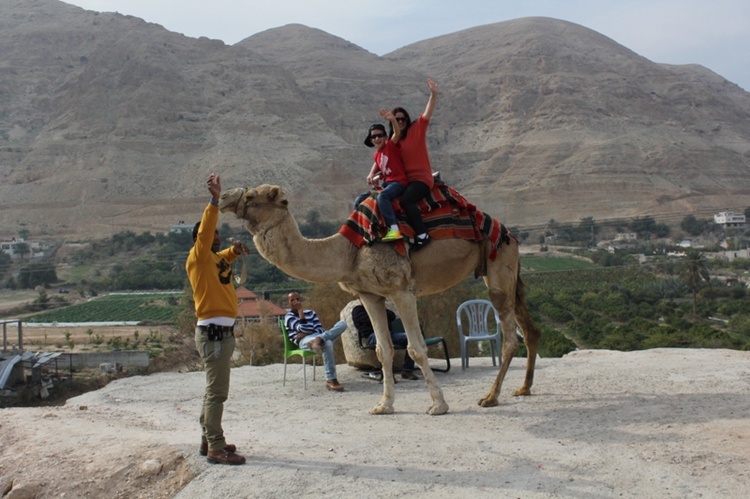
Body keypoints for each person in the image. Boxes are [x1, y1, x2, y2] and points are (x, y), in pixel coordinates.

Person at [186, 173, 251, 466]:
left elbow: (223, 257)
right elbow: (207, 233)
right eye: (213, 233)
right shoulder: (198, 257)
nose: (218, 235)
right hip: (214, 334)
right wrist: (214, 201)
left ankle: (206, 438)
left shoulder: (212, 259)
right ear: (201, 238)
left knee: (213, 390)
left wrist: (235, 251)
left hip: (220, 333)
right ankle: (216, 446)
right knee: (217, 393)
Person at [390, 78, 439, 251]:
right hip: (404, 181)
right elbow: (386, 161)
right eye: (397, 119)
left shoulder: (416, 129)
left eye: (403, 119)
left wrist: (433, 94)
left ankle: (422, 235)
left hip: (420, 179)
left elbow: (427, 113)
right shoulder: (393, 142)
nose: (401, 122)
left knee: (407, 200)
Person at [357, 109, 407, 242]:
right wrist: (372, 175)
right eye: (373, 137)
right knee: (358, 201)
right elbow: (378, 166)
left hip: (398, 182)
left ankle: (394, 229)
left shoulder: (390, 146)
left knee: (383, 196)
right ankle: (364, 230)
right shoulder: (377, 155)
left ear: (385, 137)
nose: (377, 138)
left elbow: (397, 133)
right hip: (387, 183)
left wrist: (392, 120)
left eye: (379, 135)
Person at [284, 291, 347, 391]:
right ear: (289, 302)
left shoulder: (311, 313)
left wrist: (315, 334)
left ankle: (319, 340)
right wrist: (300, 311)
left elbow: (320, 329)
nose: (296, 301)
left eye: (297, 299)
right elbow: (303, 329)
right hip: (305, 341)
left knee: (343, 324)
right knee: (328, 343)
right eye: (292, 300)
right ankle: (331, 380)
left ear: (300, 300)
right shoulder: (289, 317)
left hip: (318, 336)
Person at [351, 302, 419, 380]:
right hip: (373, 336)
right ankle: (388, 374)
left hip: (389, 334)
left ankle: (407, 370)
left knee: (411, 338)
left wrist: (380, 311)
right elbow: (372, 319)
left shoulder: (380, 308)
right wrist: (380, 314)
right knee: (385, 340)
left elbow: (392, 316)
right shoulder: (358, 310)